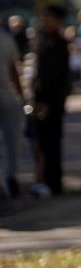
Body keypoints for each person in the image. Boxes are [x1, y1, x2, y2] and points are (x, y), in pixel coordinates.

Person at [31, 4, 71, 198]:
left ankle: (53, 182)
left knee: (50, 142)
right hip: (42, 100)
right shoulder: (45, 41)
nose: (44, 21)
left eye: (48, 18)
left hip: (51, 102)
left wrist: (48, 101)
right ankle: (45, 179)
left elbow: (58, 78)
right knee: (41, 142)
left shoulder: (59, 44)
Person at [0, 18, 23, 197]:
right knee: (11, 140)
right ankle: (10, 175)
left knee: (10, 139)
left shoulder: (6, 39)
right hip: (8, 96)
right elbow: (14, 70)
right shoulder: (6, 39)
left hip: (7, 95)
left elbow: (13, 70)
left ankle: (10, 177)